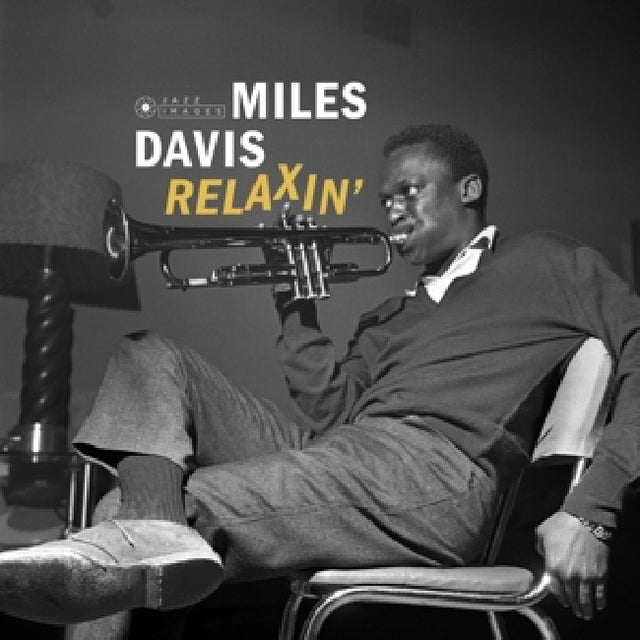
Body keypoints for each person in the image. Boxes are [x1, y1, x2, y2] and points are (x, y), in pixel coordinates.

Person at [1, 124, 638, 631]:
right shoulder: (390, 313)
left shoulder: (548, 261)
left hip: (436, 472)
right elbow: (333, 414)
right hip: (347, 451)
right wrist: (295, 309)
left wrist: (591, 513)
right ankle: (154, 525)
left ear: (468, 188)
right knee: (148, 355)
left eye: (409, 191)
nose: (392, 211)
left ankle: (154, 528)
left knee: (141, 521)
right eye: (385, 200)